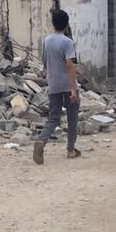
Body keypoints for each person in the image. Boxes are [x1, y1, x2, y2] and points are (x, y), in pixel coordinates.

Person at [33, 9, 81, 164]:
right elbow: (70, 66)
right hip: (67, 84)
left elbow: (44, 62)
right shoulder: (67, 42)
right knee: (72, 117)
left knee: (53, 117)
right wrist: (73, 89)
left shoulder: (46, 41)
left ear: (53, 23)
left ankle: (42, 141)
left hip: (53, 84)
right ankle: (70, 149)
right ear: (66, 24)